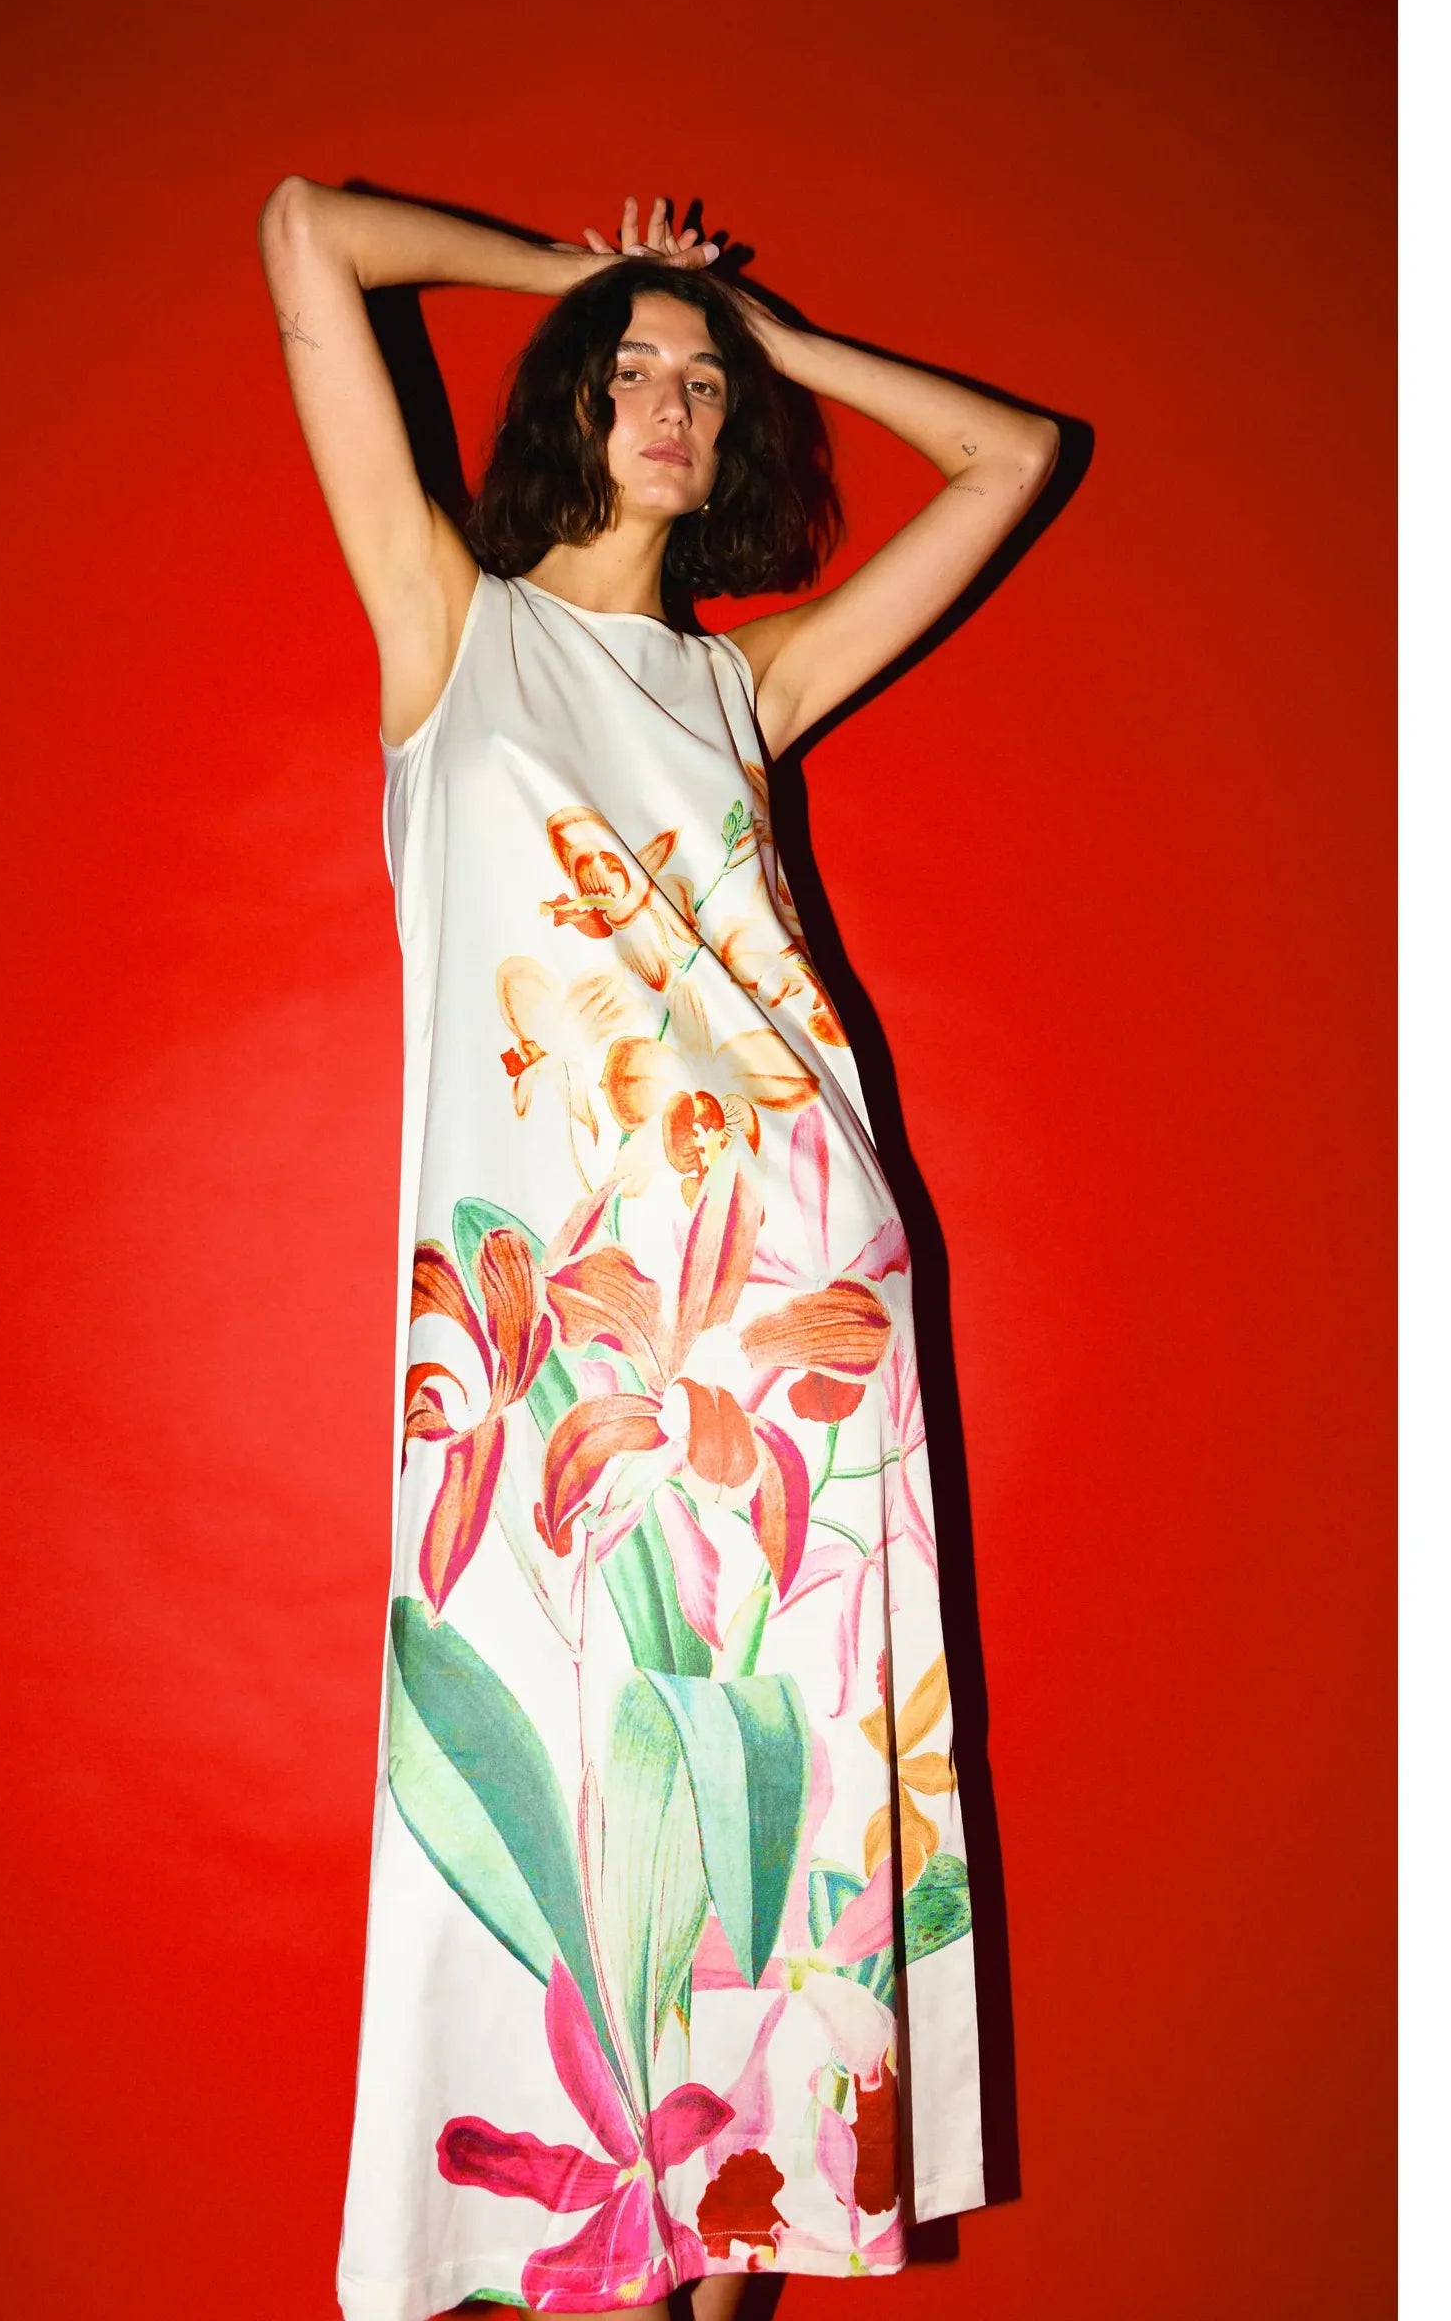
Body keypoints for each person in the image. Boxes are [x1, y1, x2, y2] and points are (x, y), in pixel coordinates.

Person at [257, 180, 1057, 2321]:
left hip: (788, 1323)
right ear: (564, 402)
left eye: (701, 385)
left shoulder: (740, 683)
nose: (673, 402)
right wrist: (597, 279)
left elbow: (1009, 459)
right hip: (548, 1362)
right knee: (568, 1867)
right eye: (633, 374)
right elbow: (303, 232)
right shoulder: (451, 627)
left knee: (763, 1873)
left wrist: (753, 328)